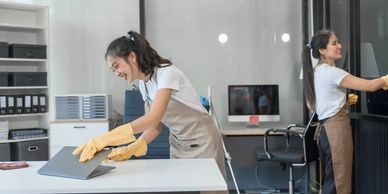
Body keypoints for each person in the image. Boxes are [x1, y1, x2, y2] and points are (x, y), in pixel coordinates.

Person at [72, 31, 226, 180]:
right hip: (178, 145)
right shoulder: (143, 85)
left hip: (203, 142)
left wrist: (105, 139)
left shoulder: (166, 73)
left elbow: (153, 118)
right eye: (113, 70)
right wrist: (134, 147)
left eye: (117, 66)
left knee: (210, 189)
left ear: (132, 56)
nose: (117, 73)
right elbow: (155, 127)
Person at [302, 29, 388, 194]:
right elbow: (370, 86)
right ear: (322, 50)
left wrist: (344, 104)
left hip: (326, 131)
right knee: (339, 183)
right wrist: (385, 79)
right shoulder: (332, 72)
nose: (339, 46)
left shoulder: (317, 72)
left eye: (338, 42)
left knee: (333, 180)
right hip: (336, 131)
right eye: (334, 43)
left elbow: (316, 104)